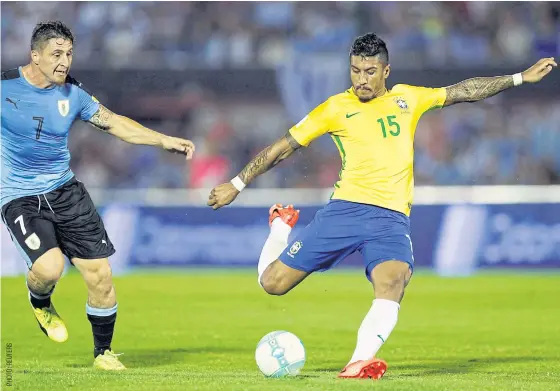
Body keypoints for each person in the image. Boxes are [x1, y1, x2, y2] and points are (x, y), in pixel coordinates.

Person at [207, 32, 556, 379]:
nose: (361, 79)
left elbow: (462, 91)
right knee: (273, 283)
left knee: (394, 281)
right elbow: (282, 147)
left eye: (370, 71)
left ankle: (358, 363)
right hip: (346, 210)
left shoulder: (408, 98)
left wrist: (520, 77)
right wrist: (237, 183)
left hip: (390, 220)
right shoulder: (334, 108)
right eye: (356, 70)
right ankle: (281, 225)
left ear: (386, 71)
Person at [1, 21, 195, 371]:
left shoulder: (72, 94)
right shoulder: (5, 87)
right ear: (35, 55)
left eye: (69, 54)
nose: (65, 62)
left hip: (66, 191)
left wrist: (163, 140)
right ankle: (40, 300)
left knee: (100, 274)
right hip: (20, 196)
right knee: (49, 269)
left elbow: (115, 123)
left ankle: (103, 353)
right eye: (56, 54)